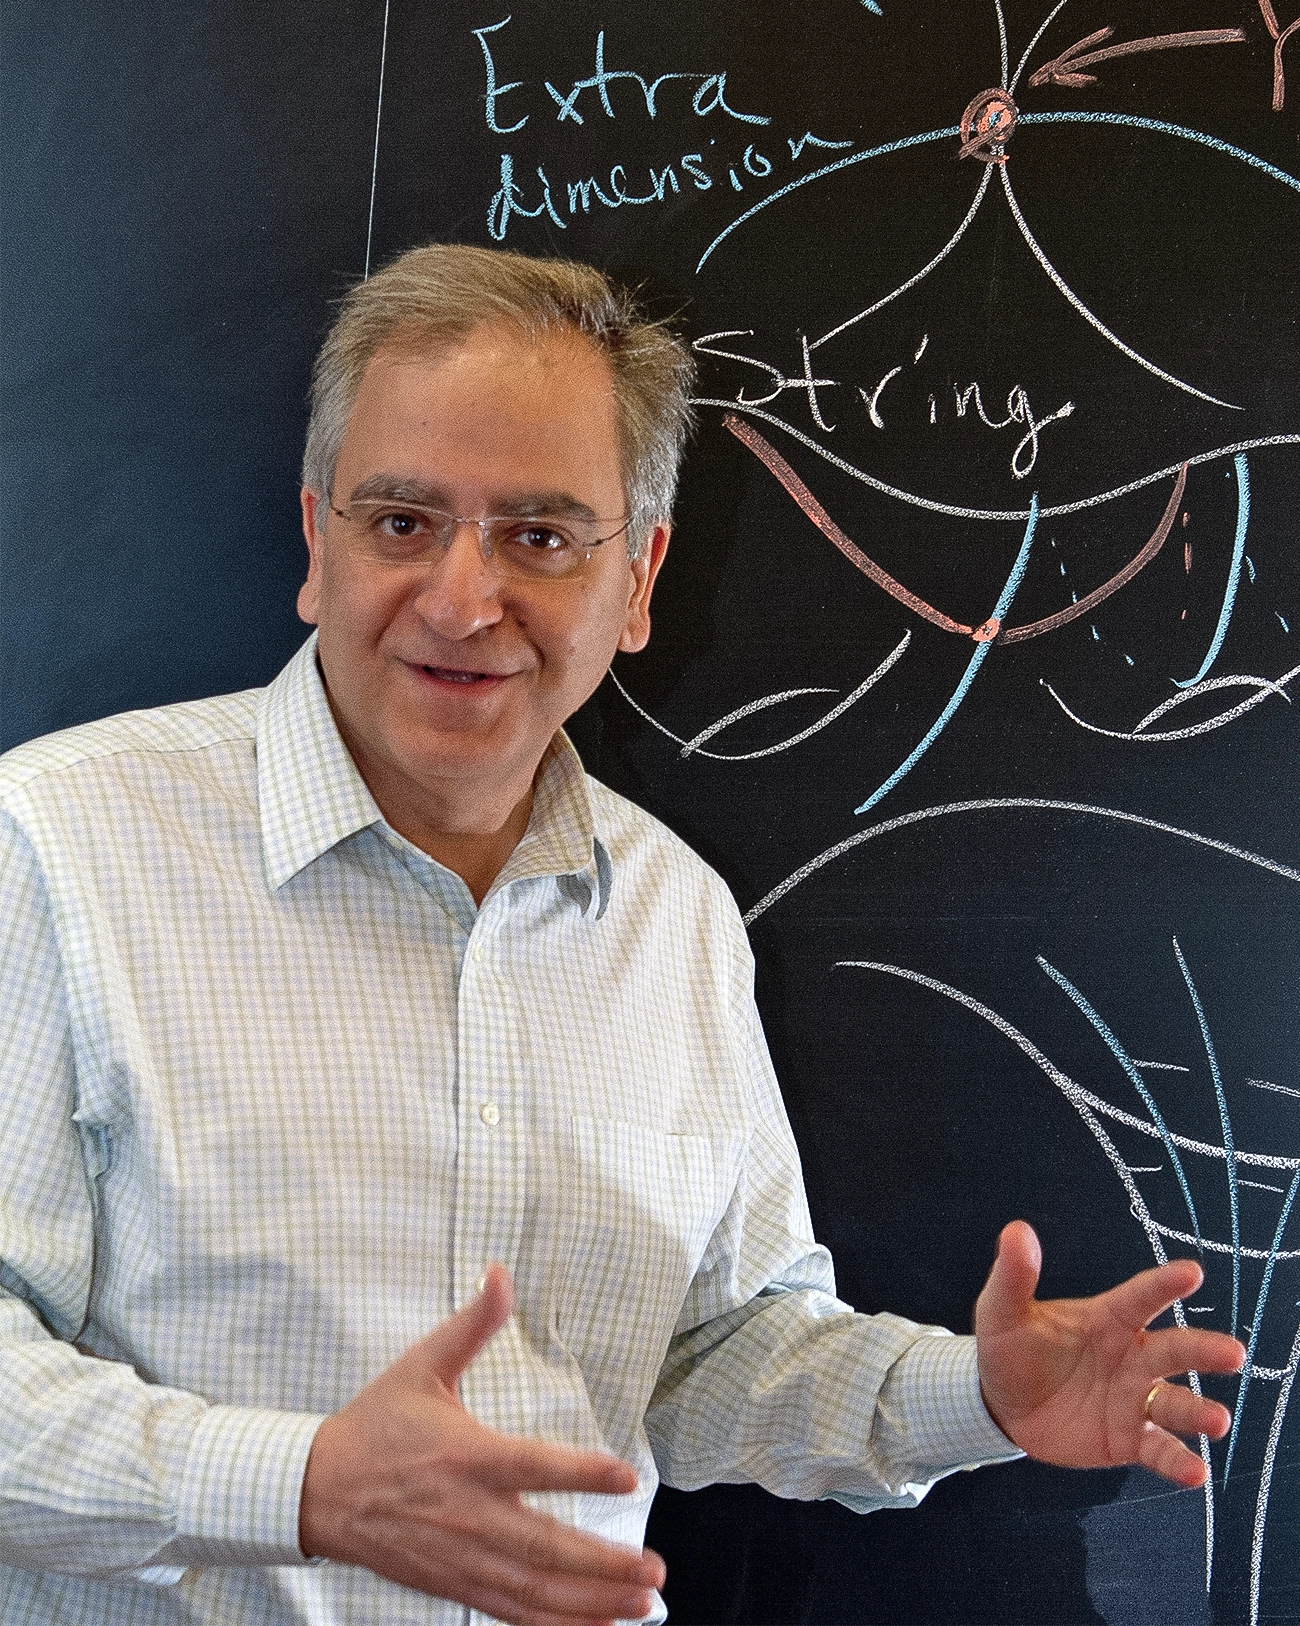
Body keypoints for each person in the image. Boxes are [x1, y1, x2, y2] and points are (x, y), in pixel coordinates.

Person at [0, 243, 1244, 1626]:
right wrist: (296, 1482)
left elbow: (708, 1350)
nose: (464, 600)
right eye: (402, 521)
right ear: (317, 541)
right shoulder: (58, 847)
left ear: (640, 578)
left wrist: (981, 1395)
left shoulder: (674, 921)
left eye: (539, 535)